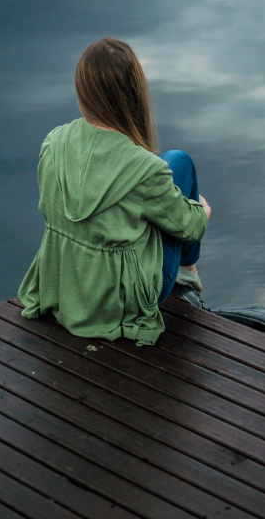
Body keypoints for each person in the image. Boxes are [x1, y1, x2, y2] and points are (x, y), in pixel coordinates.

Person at [18, 38, 212, 345]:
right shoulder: (146, 169)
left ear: (82, 90)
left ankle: (183, 270)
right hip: (121, 302)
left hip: (66, 288)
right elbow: (193, 227)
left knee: (167, 172)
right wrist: (201, 210)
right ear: (134, 93)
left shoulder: (53, 142)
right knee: (179, 161)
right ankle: (187, 274)